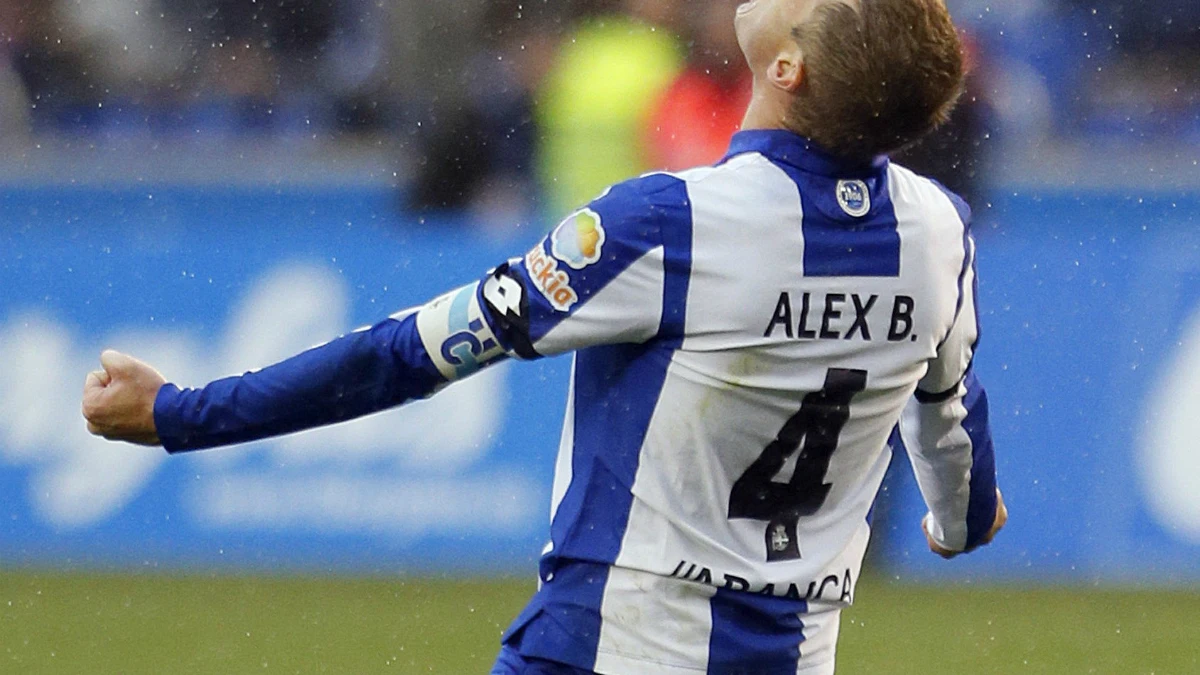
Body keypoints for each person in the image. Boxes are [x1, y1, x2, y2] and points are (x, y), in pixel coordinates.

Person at [82, 0, 1007, 672]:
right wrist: (960, 519)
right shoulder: (938, 233)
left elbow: (409, 353)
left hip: (611, 643)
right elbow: (950, 411)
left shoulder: (667, 222)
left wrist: (180, 412)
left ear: (787, 69)